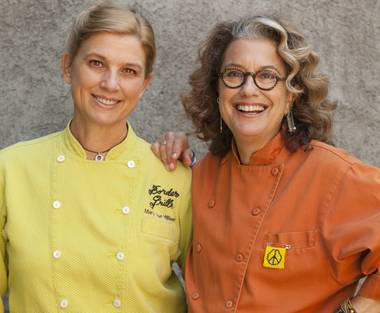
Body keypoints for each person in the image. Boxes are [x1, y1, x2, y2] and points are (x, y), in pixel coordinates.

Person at [152, 16, 380, 313]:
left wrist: (357, 309)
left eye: (267, 76)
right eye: (234, 74)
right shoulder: (200, 175)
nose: (249, 89)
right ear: (217, 92)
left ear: (290, 95)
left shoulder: (333, 176)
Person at [0, 1, 192, 313]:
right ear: (67, 67)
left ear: (145, 84)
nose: (110, 84)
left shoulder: (176, 176)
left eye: (129, 71)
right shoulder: (11, 169)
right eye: (97, 63)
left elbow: (212, 290)